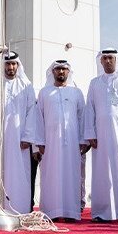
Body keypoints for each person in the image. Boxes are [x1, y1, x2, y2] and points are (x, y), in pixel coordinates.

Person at [85, 48, 118, 222]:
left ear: (116, 60)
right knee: (102, 173)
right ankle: (102, 212)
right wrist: (90, 133)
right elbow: (89, 110)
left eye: (111, 58)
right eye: (105, 58)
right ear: (100, 61)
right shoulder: (94, 83)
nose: (108, 61)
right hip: (100, 136)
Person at [35, 60, 88, 222]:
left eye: (64, 69)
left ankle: (71, 212)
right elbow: (38, 119)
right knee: (51, 176)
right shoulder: (44, 92)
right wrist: (39, 142)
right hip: (50, 144)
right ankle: (51, 212)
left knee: (72, 175)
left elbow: (82, 117)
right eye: (58, 69)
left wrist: (82, 140)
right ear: (52, 72)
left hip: (72, 143)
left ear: (68, 72)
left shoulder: (76, 92)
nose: (61, 72)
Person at [2, 52, 36, 214]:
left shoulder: (26, 86)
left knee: (20, 173)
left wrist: (28, 136)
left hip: (20, 138)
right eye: (8, 64)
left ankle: (20, 208)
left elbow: (32, 112)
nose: (10, 67)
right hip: (0, 139)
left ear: (18, 66)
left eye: (14, 64)